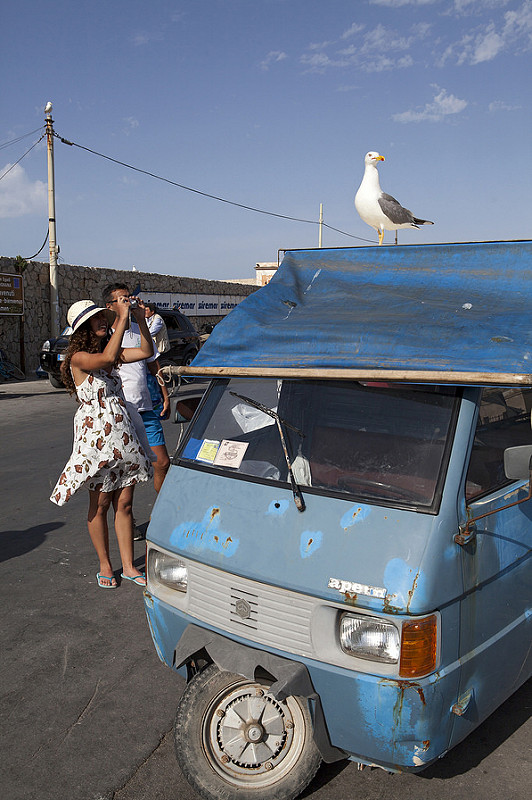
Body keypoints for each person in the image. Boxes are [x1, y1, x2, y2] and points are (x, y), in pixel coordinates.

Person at [50, 297, 154, 589]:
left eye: (104, 317)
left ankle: (130, 565)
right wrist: (121, 318)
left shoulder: (112, 351)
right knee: (101, 503)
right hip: (96, 439)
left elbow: (146, 350)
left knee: (125, 502)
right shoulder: (79, 358)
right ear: (82, 328)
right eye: (96, 319)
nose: (103, 321)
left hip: (122, 434)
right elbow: (107, 360)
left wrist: (139, 319)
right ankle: (105, 564)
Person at [103, 285, 171, 502]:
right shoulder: (106, 336)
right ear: (109, 306)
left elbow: (153, 363)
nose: (127, 303)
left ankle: (161, 513)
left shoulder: (139, 331)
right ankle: (125, 517)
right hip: (122, 410)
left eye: (128, 298)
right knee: (128, 472)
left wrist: (165, 395)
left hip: (146, 407)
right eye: (121, 300)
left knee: (162, 462)